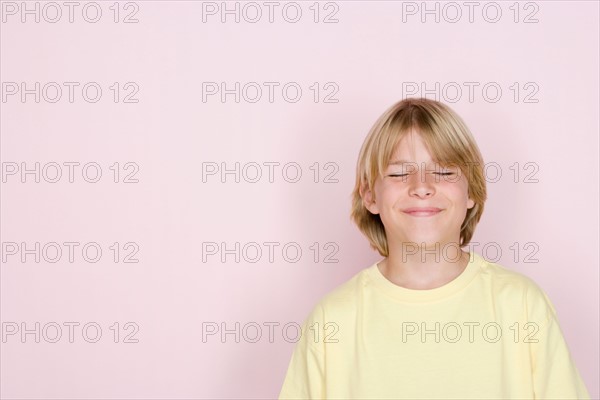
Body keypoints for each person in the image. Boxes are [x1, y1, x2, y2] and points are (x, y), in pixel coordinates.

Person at [278, 98, 590, 399]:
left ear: (472, 191)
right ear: (370, 195)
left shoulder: (522, 307)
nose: (422, 186)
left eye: (444, 171)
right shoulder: (331, 322)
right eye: (400, 173)